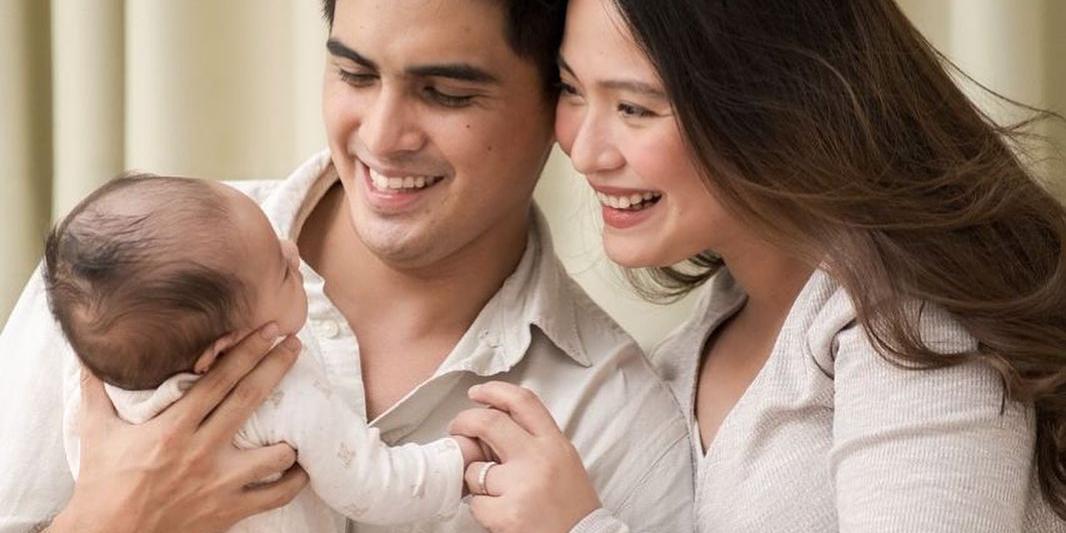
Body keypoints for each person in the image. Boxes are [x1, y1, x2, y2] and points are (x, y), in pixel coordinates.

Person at [0, 1, 693, 532]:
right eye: (354, 74)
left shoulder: (614, 420)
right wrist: (108, 519)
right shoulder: (129, 277)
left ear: (559, 102)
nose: (383, 136)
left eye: (446, 93)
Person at [452, 0, 1066, 531]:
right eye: (571, 89)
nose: (585, 151)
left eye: (635, 108)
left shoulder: (909, 325)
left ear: (775, 100)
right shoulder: (687, 355)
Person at [47, 174, 489, 531]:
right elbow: (373, 485)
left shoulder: (93, 394)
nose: (293, 252)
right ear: (227, 347)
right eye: (282, 271)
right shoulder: (280, 395)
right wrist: (465, 461)